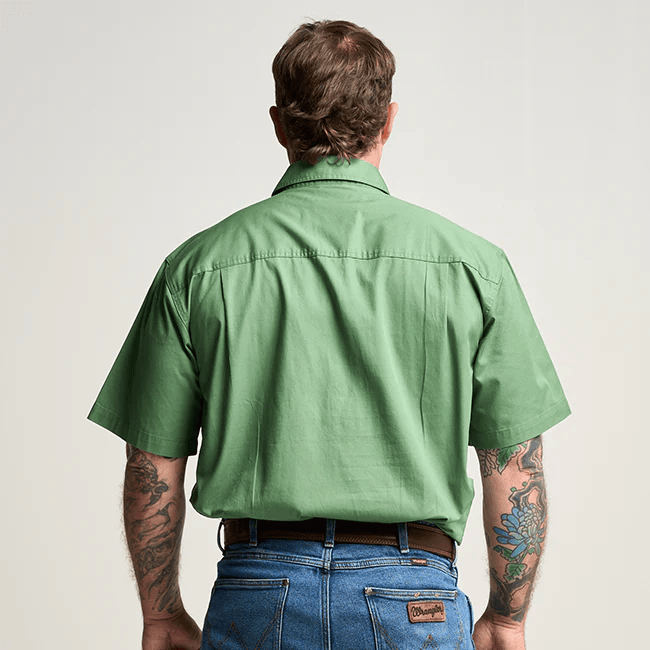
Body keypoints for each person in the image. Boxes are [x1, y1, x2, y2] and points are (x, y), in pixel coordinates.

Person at [87, 19, 571, 650]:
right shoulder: (474, 269)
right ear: (388, 121)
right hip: (414, 596)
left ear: (279, 125)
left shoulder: (198, 268)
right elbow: (514, 466)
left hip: (258, 591)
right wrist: (507, 617)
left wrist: (160, 612)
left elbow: (151, 464)